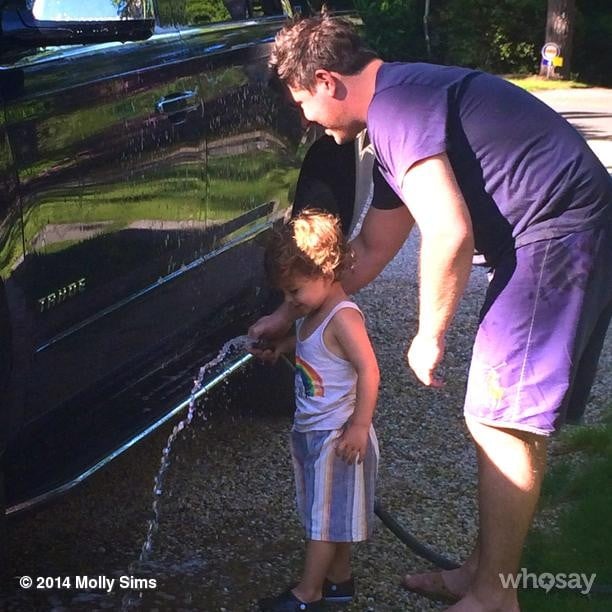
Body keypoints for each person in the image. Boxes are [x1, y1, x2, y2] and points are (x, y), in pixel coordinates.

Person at [249, 13, 612, 612]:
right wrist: (287, 320)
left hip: (560, 232)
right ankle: (480, 572)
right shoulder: (394, 115)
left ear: (324, 80)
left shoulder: (398, 108)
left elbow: (447, 231)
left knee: (503, 417)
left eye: (300, 102)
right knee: (497, 415)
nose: (304, 119)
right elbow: (368, 252)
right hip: (551, 235)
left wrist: (429, 332)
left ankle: (495, 596)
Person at [257, 209, 380, 612]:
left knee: (322, 521)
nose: (289, 302)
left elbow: (369, 369)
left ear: (328, 270)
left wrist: (360, 426)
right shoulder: (314, 313)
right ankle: (339, 582)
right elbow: (317, 351)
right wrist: (282, 348)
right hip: (315, 432)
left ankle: (307, 593)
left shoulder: (343, 317)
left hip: (339, 436)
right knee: (331, 512)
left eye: (294, 291)